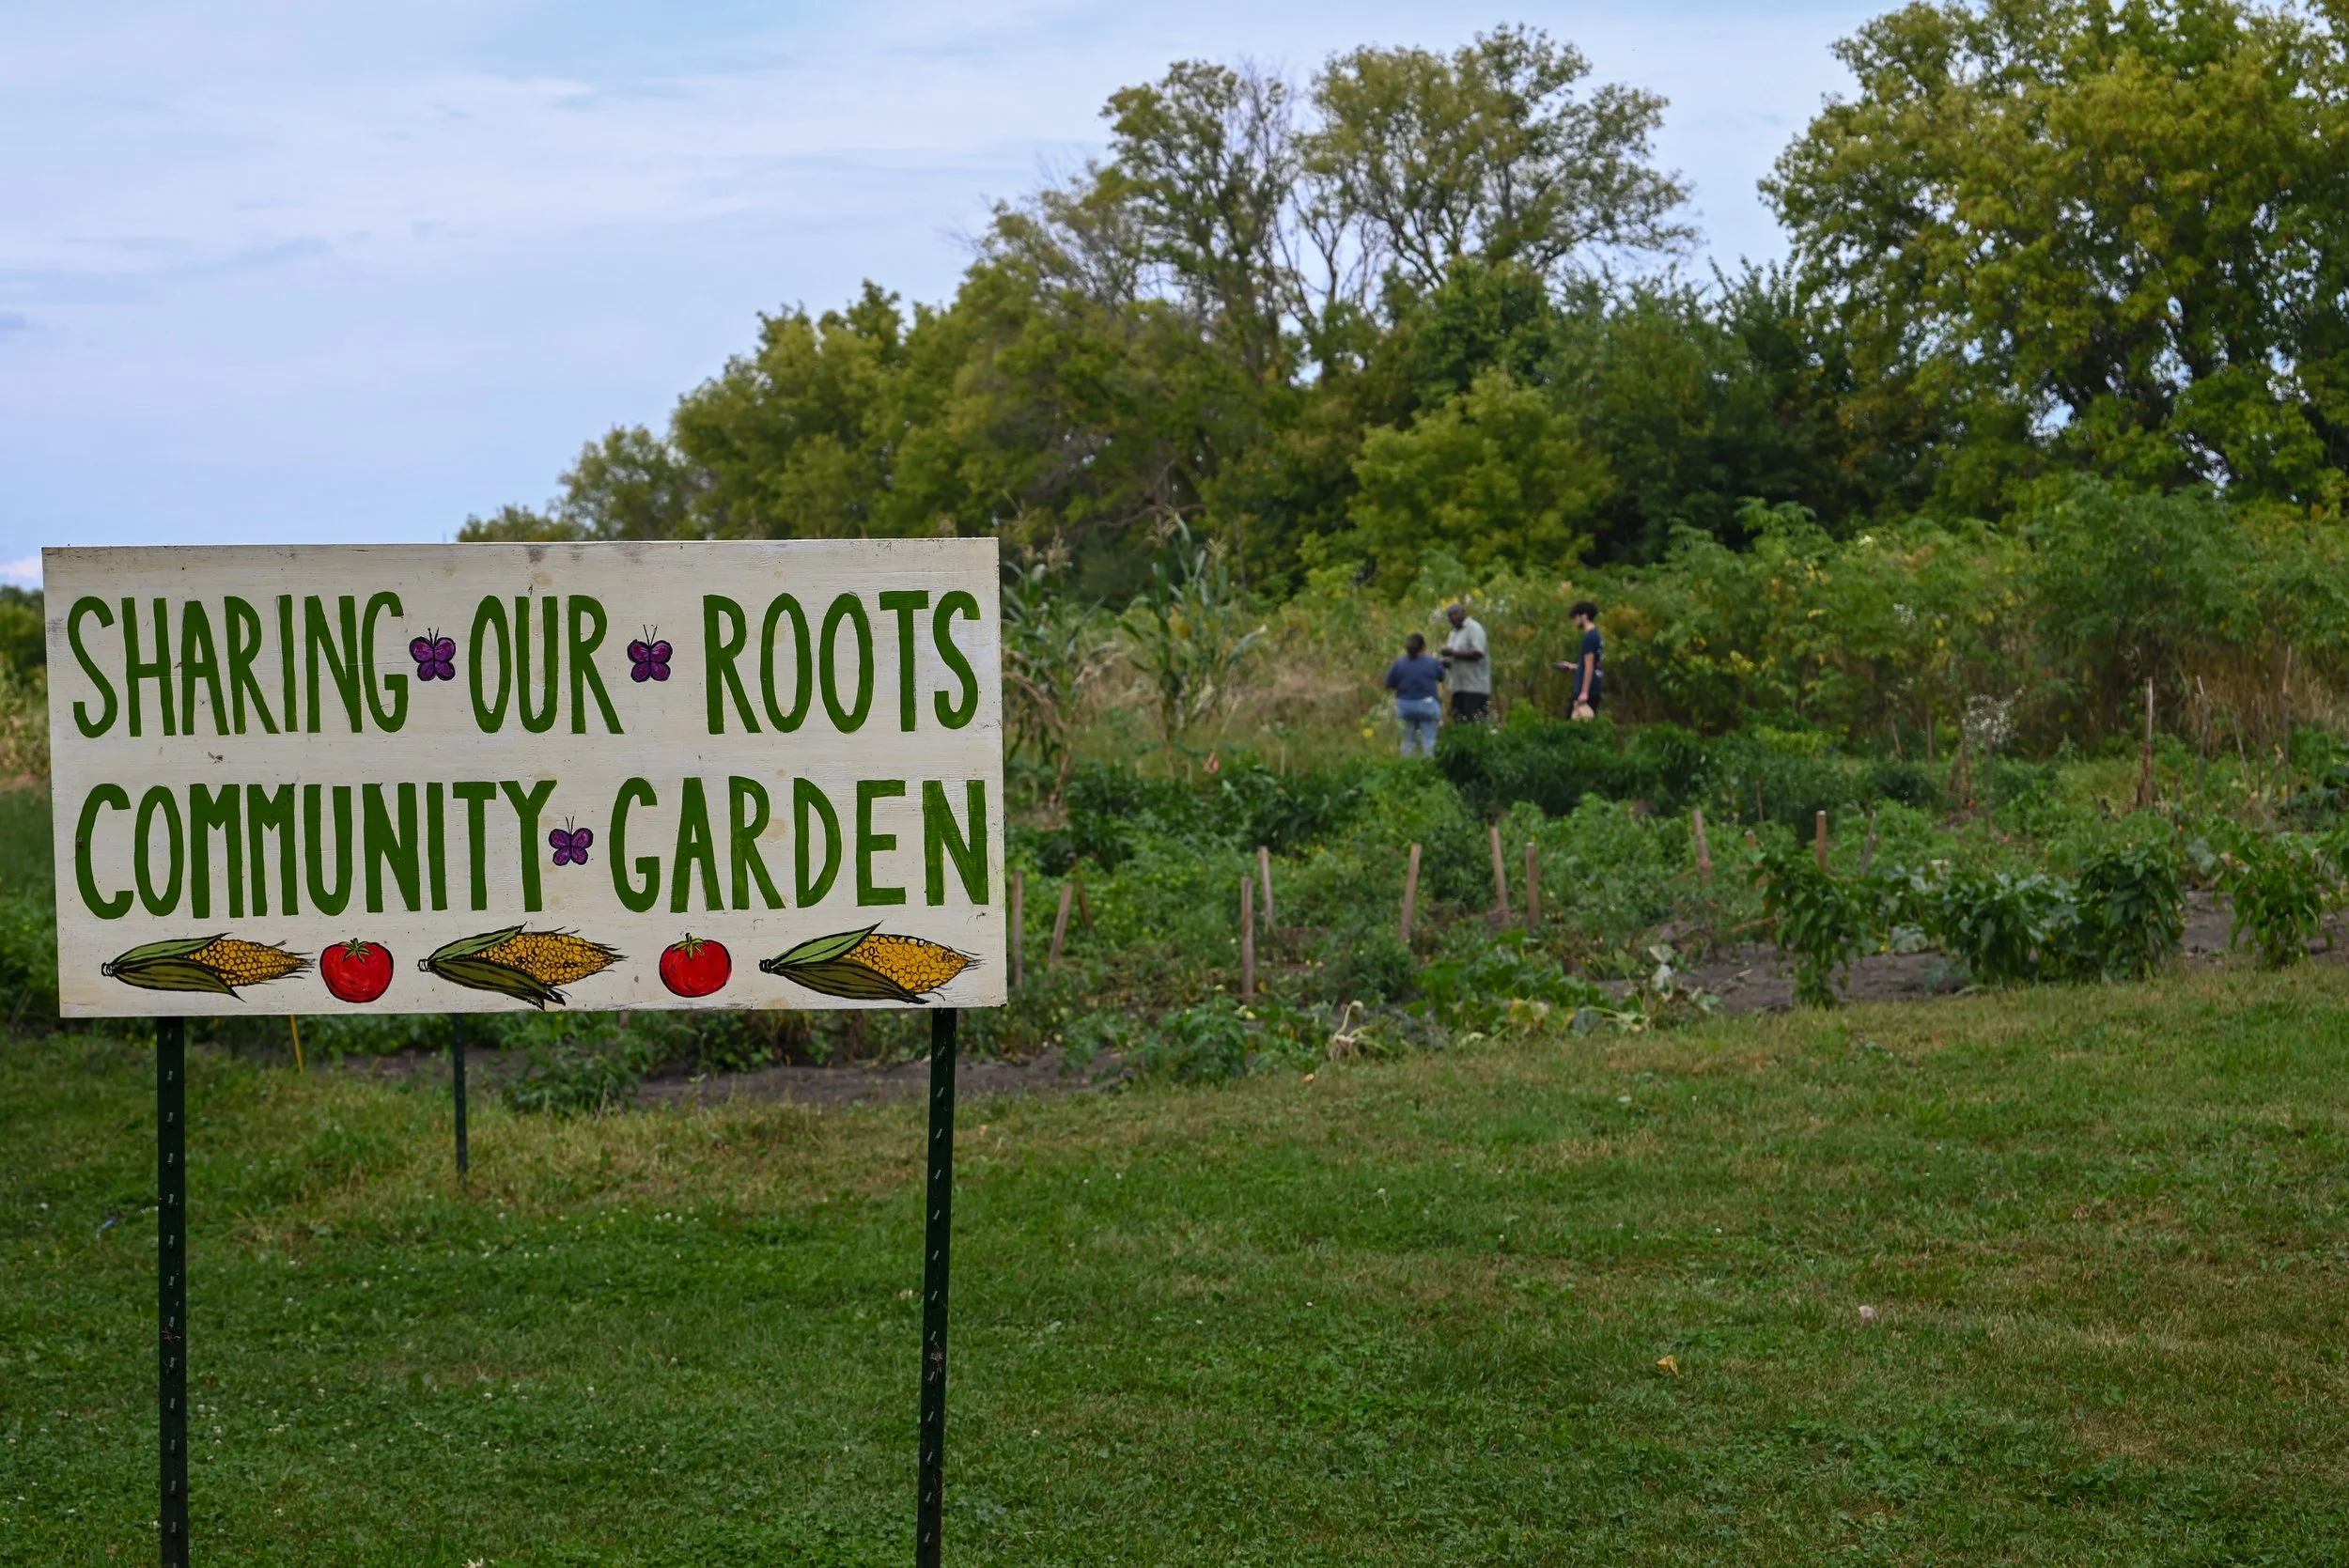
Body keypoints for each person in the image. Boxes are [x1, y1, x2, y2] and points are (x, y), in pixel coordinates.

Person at [1384, 631, 1445, 756]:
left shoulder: (1399, 663)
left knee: (1408, 741)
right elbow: (1442, 677)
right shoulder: (1432, 661)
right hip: (1427, 705)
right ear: (1423, 647)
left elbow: (1388, 684)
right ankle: (1429, 769)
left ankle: (1407, 769)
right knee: (1429, 740)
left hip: (1405, 706)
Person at [1439, 602, 1490, 722]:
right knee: (1459, 722)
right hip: (1458, 686)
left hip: (1475, 686)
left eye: (1456, 614)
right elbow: (1453, 660)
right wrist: (1442, 663)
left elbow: (1478, 653)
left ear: (1463, 613)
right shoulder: (1453, 633)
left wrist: (1453, 653)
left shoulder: (1474, 628)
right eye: (1450, 616)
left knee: (1474, 722)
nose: (1453, 618)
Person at [1553, 599, 1603, 719]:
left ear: (1584, 616)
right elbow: (1595, 664)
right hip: (1595, 687)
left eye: (1576, 617)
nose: (1575, 621)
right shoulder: (1596, 635)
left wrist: (1584, 692)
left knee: (1571, 724)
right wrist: (1573, 666)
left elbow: (1590, 666)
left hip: (1586, 690)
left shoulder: (1589, 638)